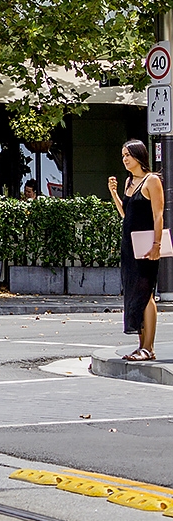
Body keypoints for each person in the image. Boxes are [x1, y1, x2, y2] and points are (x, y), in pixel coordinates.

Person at [110, 139, 162, 361]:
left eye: (128, 155)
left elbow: (158, 215)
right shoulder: (129, 182)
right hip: (129, 245)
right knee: (133, 294)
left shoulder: (152, 181)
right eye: (122, 156)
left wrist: (157, 245)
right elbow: (126, 214)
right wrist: (113, 194)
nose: (125, 159)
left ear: (139, 155)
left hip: (147, 246)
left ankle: (148, 348)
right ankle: (141, 345)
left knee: (146, 293)